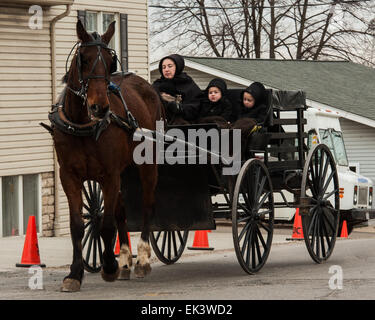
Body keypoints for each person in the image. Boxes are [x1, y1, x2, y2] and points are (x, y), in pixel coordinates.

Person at [152, 54, 202, 125]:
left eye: (170, 66)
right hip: (158, 126)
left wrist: (179, 108)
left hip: (184, 128)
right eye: (163, 67)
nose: (166, 70)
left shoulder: (188, 84)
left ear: (178, 67)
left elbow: (196, 108)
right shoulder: (157, 86)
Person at [231, 81, 269, 158]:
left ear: (256, 100)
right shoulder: (240, 107)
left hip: (250, 130)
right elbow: (235, 118)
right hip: (237, 130)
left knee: (245, 124)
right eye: (244, 99)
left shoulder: (261, 108)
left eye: (249, 100)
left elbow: (260, 120)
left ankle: (238, 155)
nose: (246, 102)